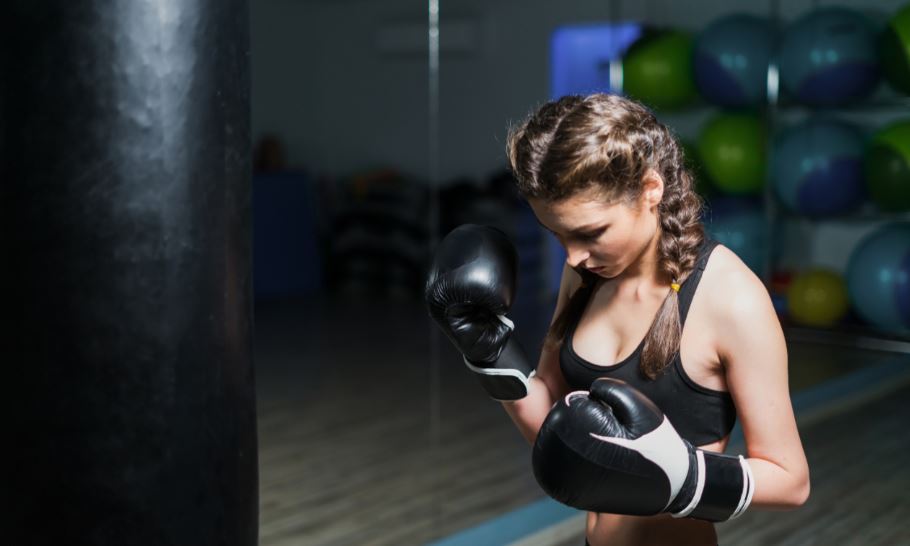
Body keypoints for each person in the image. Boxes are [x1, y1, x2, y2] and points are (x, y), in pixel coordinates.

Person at [425, 93, 809, 546]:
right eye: (557, 234)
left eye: (590, 233)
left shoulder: (731, 297)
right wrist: (489, 353)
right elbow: (554, 432)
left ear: (651, 189)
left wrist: (684, 476)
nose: (572, 256)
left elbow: (791, 482)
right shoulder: (586, 274)